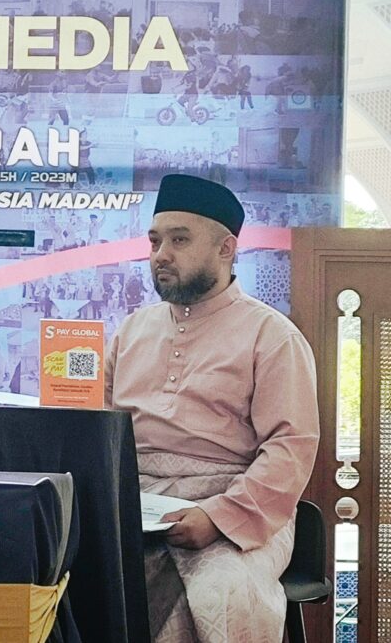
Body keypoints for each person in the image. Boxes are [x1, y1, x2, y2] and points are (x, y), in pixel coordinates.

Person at [105, 174, 319, 643]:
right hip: (133, 505)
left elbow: (291, 448)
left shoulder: (272, 336)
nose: (161, 254)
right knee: (67, 579)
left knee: (222, 594)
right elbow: (102, 433)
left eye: (179, 240)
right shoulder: (131, 331)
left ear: (226, 249)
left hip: (235, 506)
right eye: (155, 241)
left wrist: (219, 518)